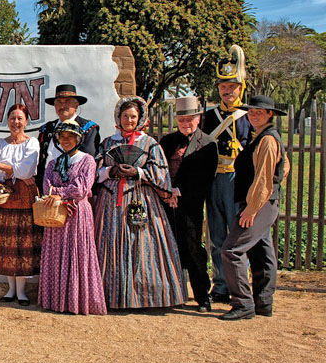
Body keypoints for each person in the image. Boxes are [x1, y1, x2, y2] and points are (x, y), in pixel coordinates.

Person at [93, 97, 187, 309]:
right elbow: (95, 171)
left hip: (141, 199)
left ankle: (144, 296)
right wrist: (111, 171)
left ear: (140, 118)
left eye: (133, 116)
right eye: (125, 116)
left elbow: (162, 174)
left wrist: (139, 172)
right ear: (119, 116)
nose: (129, 120)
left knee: (141, 243)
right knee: (109, 243)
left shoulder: (149, 143)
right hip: (111, 203)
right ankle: (109, 295)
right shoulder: (108, 143)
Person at [220, 95, 290, 321]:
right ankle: (263, 302)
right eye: (251, 112)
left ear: (270, 114)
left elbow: (264, 179)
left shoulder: (268, 140)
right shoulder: (260, 137)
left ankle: (243, 303)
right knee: (261, 251)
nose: (254, 115)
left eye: (259, 112)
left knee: (232, 250)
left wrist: (252, 208)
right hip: (263, 202)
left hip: (258, 204)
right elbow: (285, 165)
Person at [38, 120, 106, 315]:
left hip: (77, 214)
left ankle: (77, 300)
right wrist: (61, 193)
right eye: (62, 137)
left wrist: (59, 193)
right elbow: (46, 188)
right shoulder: (53, 163)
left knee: (77, 254)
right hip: (56, 214)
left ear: (78, 138)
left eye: (70, 137)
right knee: (57, 253)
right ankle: (57, 300)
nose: (66, 140)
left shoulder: (87, 161)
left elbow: (82, 188)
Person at [202, 45, 253, 304]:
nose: (227, 91)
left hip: (237, 181)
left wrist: (241, 150)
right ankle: (220, 284)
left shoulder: (248, 117)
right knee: (216, 236)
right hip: (214, 179)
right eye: (223, 87)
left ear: (240, 88)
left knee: (236, 235)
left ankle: (239, 286)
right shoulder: (210, 116)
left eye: (232, 86)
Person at [159, 96, 218, 312]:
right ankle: (171, 293)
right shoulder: (167, 141)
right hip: (166, 203)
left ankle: (202, 296)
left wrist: (179, 193)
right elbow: (160, 170)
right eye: (182, 119)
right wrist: (166, 192)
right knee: (167, 248)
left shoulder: (209, 144)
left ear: (198, 118)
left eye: (190, 119)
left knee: (194, 250)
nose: (186, 123)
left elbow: (204, 179)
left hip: (190, 204)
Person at [0, 104, 42, 306]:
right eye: (12, 118)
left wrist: (2, 166)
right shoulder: (0, 142)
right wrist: (13, 171)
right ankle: (11, 289)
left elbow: (26, 171)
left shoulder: (32, 143)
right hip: (3, 196)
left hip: (24, 198)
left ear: (26, 122)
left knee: (22, 243)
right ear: (7, 121)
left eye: (20, 118)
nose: (16, 122)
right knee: (6, 243)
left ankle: (22, 291)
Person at [37, 84, 100, 191]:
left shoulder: (88, 128)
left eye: (68, 102)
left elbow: (87, 160)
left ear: (76, 105)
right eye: (59, 102)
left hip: (74, 191)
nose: (63, 106)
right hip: (47, 189)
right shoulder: (46, 129)